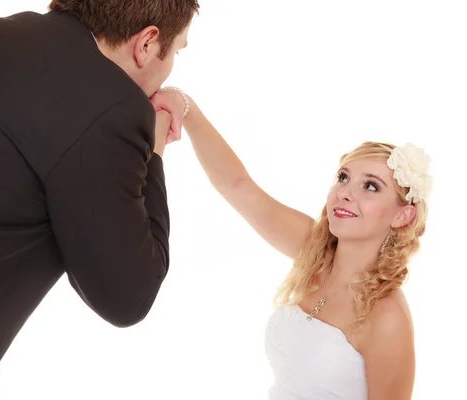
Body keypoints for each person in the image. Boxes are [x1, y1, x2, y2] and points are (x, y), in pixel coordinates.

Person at [0, 0, 199, 398]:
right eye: (177, 51)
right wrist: (155, 151)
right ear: (147, 43)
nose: (171, 65)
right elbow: (127, 295)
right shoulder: (111, 108)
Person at [152, 90, 432, 399]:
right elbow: (238, 187)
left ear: (403, 215)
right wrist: (186, 108)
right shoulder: (312, 249)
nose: (345, 193)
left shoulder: (386, 316)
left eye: (370, 186)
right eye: (343, 177)